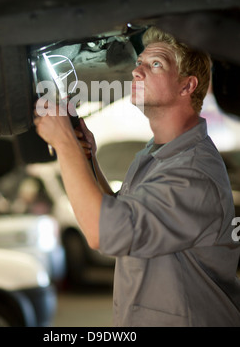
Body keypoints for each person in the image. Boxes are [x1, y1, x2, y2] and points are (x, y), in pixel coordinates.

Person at [34, 26, 240, 327]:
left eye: (155, 64)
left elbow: (103, 233)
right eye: (139, 62)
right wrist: (87, 158)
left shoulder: (193, 175)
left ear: (187, 86)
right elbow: (122, 215)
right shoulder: (157, 156)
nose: (137, 72)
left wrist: (64, 143)